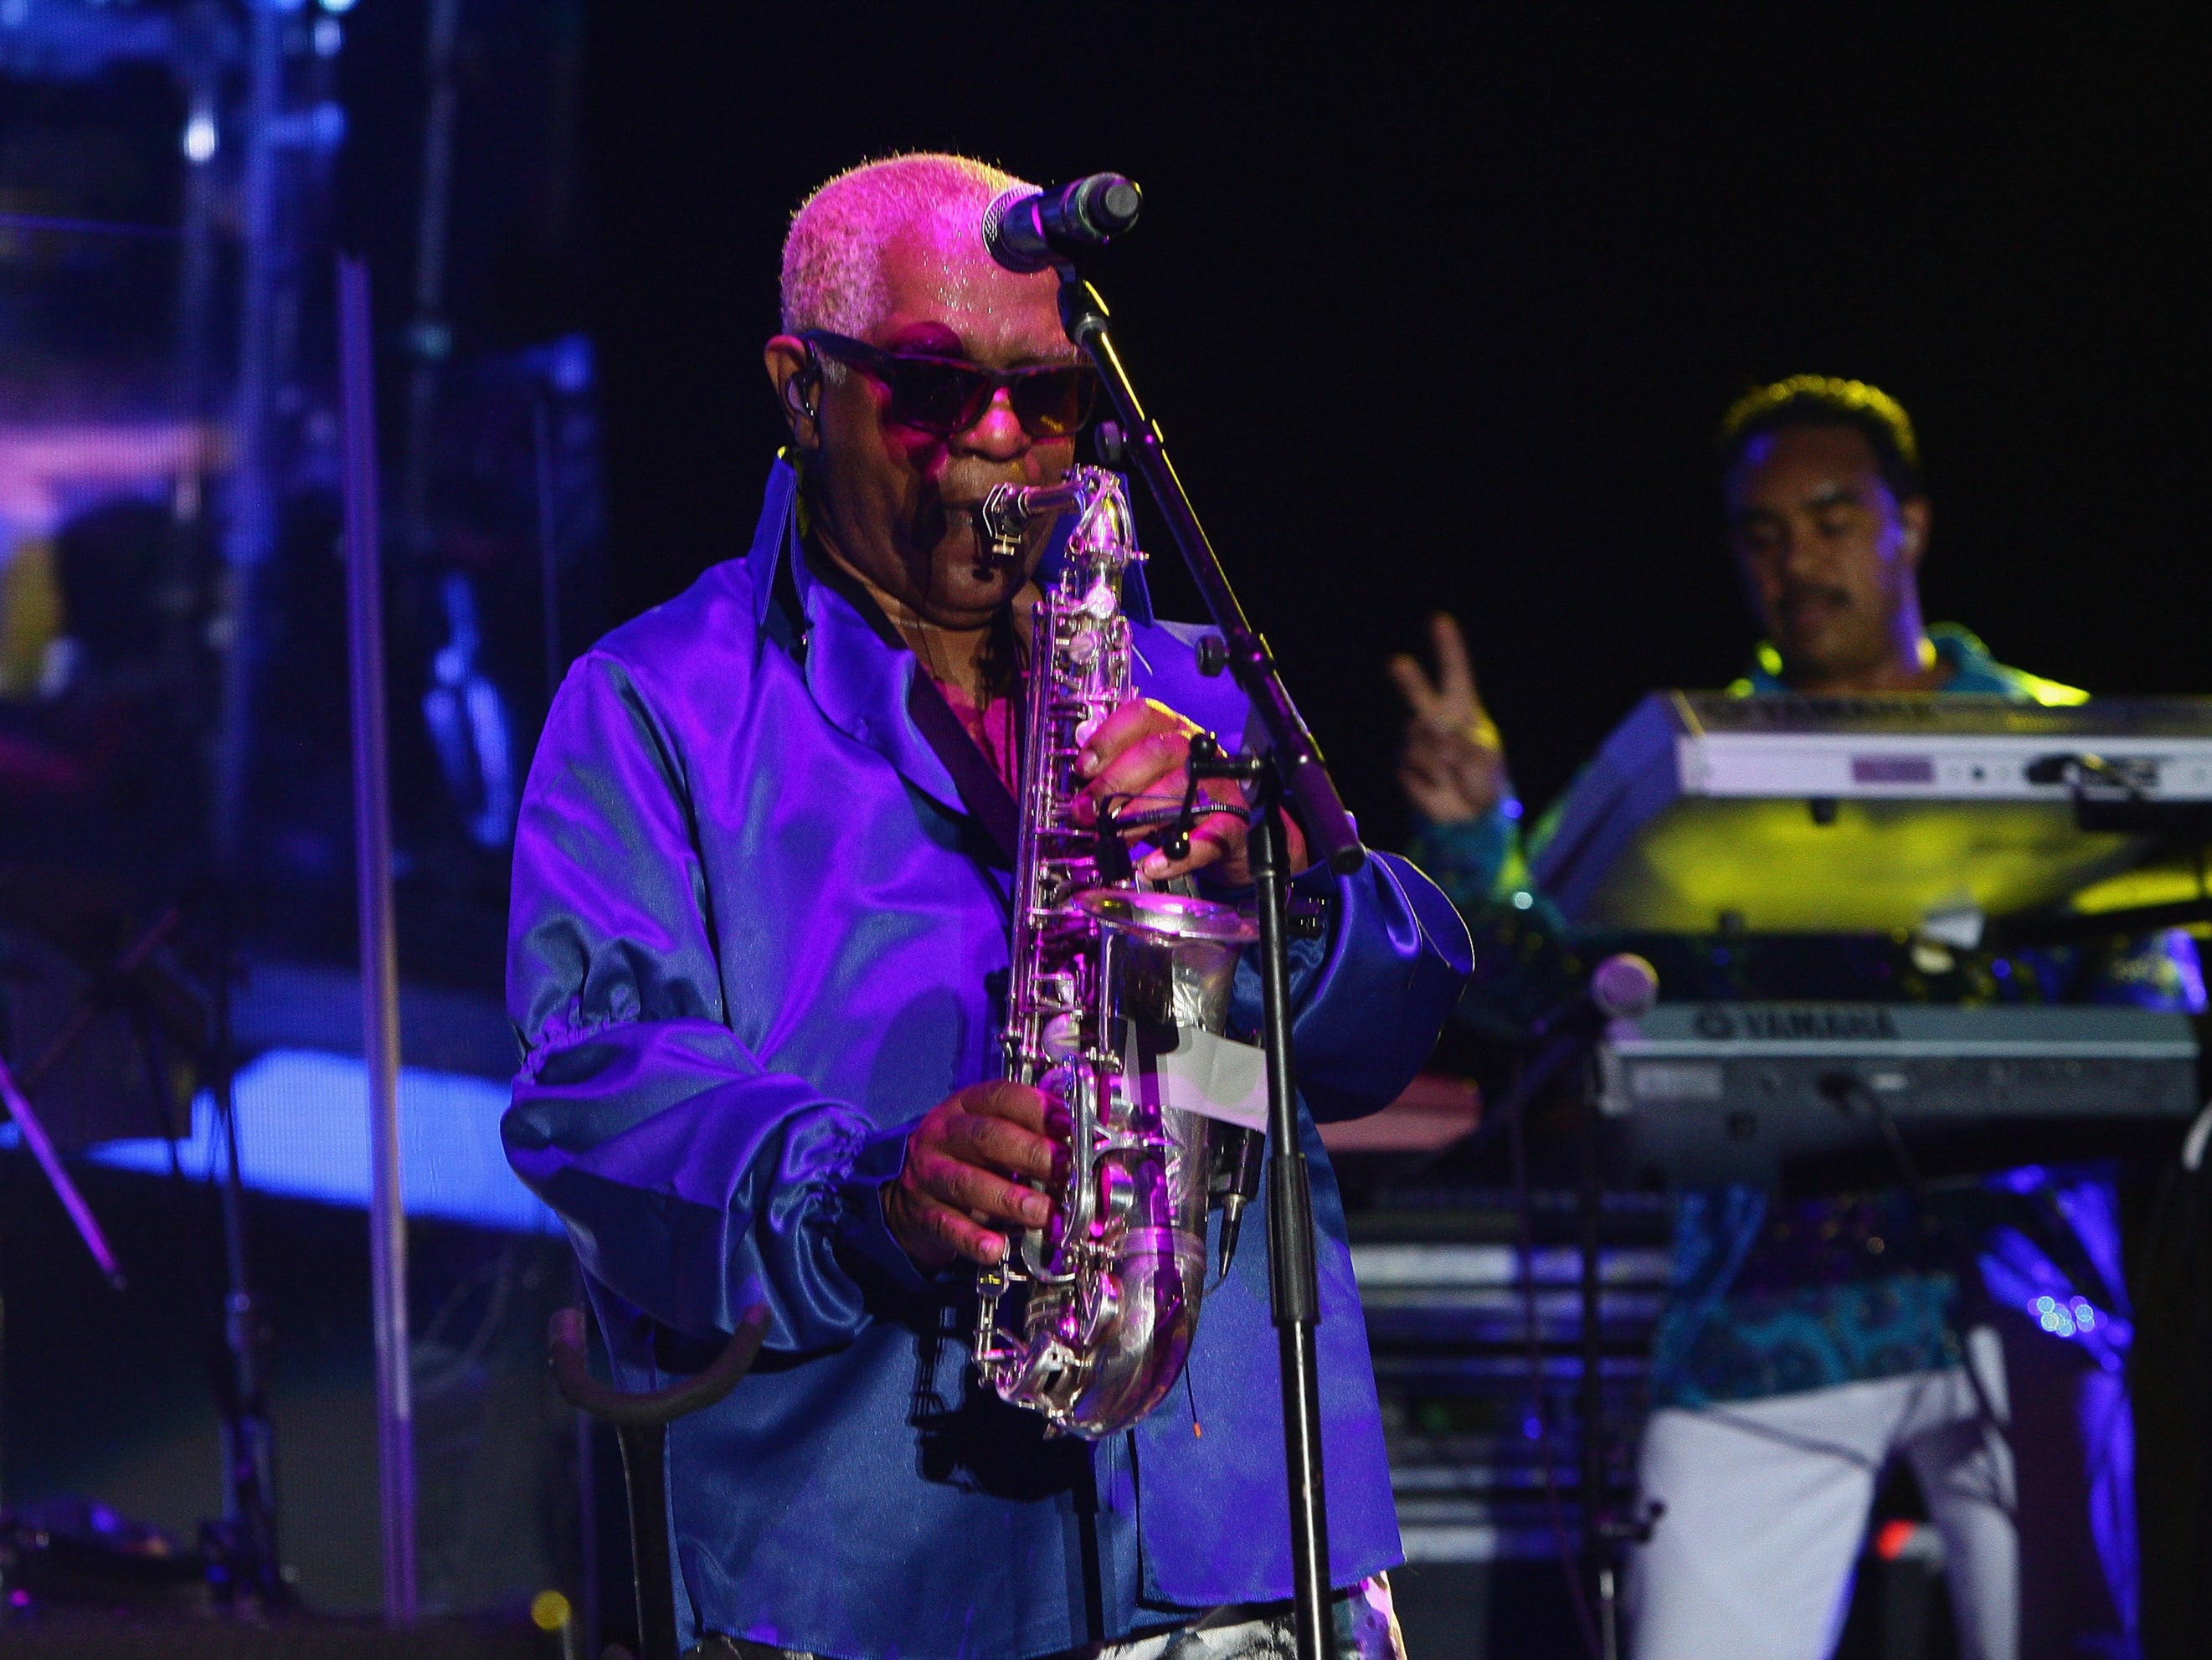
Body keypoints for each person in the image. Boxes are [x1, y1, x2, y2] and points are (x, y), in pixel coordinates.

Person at [503, 154, 1470, 1660]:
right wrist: (868, 1192)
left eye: (1049, 394)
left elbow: (1358, 1042)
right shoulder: (653, 705)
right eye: (933, 389)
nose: (1001, 443)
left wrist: (1258, 894)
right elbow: (595, 1095)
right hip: (872, 1566)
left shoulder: (1191, 684)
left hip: (1239, 1549)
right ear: (798, 385)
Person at [1390, 377, 2194, 1660]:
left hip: (2020, 1288)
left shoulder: (2061, 745)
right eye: (1762, 534)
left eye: (1829, 519)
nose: (1796, 559)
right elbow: (1531, 984)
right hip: (1763, 1313)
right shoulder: (1692, 763)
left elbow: (2153, 1005)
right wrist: (1471, 832)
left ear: (1908, 526)